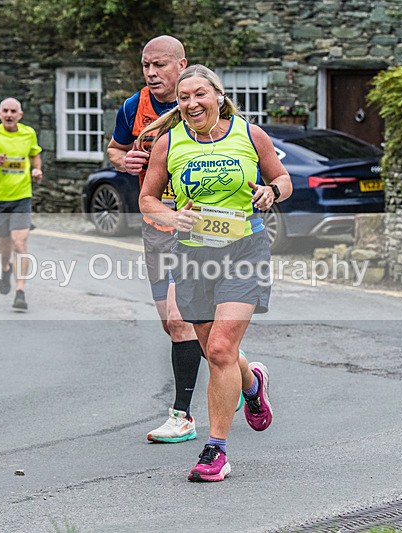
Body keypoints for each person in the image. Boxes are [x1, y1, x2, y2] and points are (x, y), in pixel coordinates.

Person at [138, 64, 292, 482]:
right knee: (214, 351)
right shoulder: (168, 144)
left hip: (245, 249)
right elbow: (147, 200)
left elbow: (282, 178)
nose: (191, 103)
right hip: (193, 256)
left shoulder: (248, 133)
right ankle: (252, 382)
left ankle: (216, 450)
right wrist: (172, 218)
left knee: (221, 348)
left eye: (199, 95)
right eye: (184, 97)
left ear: (218, 97)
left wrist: (270, 191)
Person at [109, 35, 243, 445]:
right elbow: (115, 149)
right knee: (174, 323)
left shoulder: (203, 105)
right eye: (146, 65)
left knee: (184, 319)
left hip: (203, 232)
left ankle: (182, 416)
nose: (151, 73)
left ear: (182, 64)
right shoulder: (133, 108)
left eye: (160, 65)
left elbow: (243, 154)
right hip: (156, 228)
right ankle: (245, 378)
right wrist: (124, 159)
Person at [0, 98, 43, 311]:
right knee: (4, 247)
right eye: (6, 111)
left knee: (20, 244)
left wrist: (37, 170)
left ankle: (20, 292)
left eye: (14, 111)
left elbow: (35, 153)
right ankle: (5, 269)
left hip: (22, 196)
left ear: (20, 115)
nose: (10, 114)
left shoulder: (28, 133)